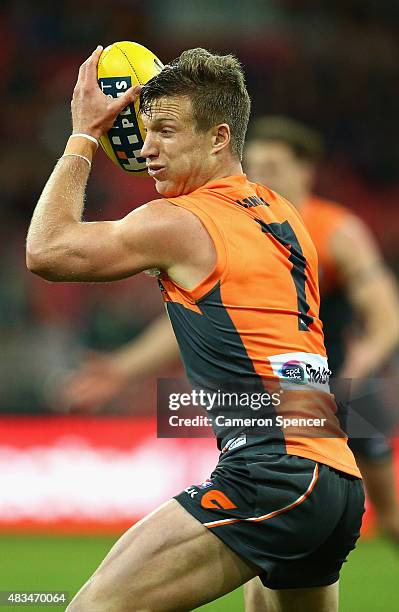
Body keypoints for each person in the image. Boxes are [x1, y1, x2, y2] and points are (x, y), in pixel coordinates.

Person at [27, 47, 364, 612]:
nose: (146, 149)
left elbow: (47, 251)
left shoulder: (180, 221)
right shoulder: (282, 214)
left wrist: (84, 136)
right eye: (142, 130)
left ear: (218, 138)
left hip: (272, 475)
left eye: (166, 131)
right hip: (330, 481)